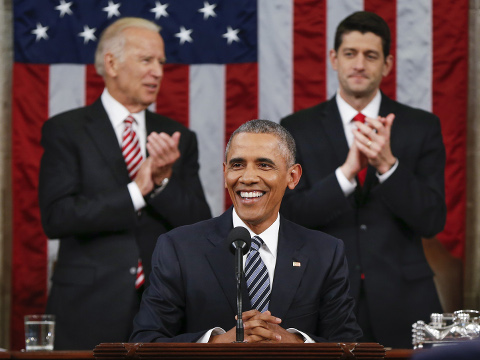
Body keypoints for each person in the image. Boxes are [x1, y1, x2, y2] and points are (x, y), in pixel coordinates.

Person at [38, 17, 211, 350]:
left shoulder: (178, 137)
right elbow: (57, 216)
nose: (158, 72)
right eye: (146, 60)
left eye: (161, 62)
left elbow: (199, 222)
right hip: (88, 307)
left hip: (165, 306)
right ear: (112, 63)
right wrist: (137, 190)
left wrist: (161, 183)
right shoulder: (66, 130)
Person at [280, 11, 445, 348]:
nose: (359, 64)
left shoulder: (421, 126)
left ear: (387, 64)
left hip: (406, 301)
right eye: (350, 54)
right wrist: (346, 174)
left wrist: (388, 166)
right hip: (322, 300)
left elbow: (432, 219)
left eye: (370, 55)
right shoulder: (297, 128)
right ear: (333, 59)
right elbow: (290, 217)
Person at [130, 119, 362, 343]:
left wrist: (296, 343)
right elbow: (147, 341)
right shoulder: (178, 248)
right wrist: (216, 343)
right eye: (237, 165)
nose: (248, 178)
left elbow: (347, 344)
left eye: (264, 165)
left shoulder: (325, 252)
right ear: (225, 174)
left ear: (292, 176)